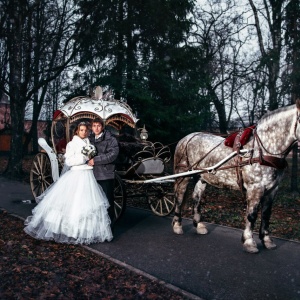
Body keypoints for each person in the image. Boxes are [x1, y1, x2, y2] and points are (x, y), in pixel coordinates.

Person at [24, 122, 113, 244]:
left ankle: (85, 231)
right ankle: (71, 231)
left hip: (88, 174)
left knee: (87, 205)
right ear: (77, 131)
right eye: (81, 130)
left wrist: (91, 157)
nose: (84, 132)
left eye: (86, 130)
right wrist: (83, 158)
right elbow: (69, 161)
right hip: (76, 174)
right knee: (74, 203)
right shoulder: (72, 144)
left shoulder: (89, 143)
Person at [88, 118, 119, 230]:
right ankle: (97, 228)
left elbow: (112, 155)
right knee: (94, 203)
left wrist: (96, 160)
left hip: (105, 174)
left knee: (107, 202)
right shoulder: (89, 139)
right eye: (94, 126)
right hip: (91, 175)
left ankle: (109, 228)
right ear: (91, 127)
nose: (96, 128)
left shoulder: (111, 140)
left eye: (98, 126)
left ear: (102, 127)